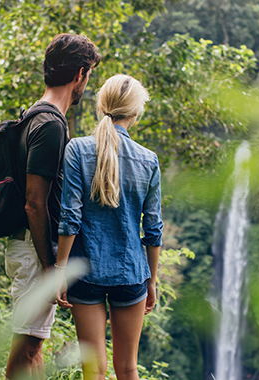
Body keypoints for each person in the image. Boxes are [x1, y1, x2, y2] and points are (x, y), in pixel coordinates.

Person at [54, 74, 163, 380]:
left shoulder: (77, 150)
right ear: (136, 112)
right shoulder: (148, 160)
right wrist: (151, 281)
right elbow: (153, 230)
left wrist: (61, 272)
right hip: (131, 273)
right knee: (127, 368)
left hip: (84, 272)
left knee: (94, 370)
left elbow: (69, 218)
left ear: (101, 106)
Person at [5, 33, 100, 380]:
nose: (86, 84)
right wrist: (50, 267)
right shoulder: (50, 125)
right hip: (35, 250)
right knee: (24, 348)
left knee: (34, 346)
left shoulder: (36, 114)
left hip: (30, 247)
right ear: (79, 73)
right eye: (88, 75)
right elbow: (35, 202)